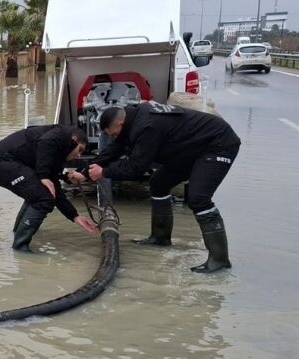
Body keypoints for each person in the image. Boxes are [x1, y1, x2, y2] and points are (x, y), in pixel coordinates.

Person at [87, 101, 241, 273]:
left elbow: (137, 168)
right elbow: (115, 148)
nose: (114, 137)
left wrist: (105, 172)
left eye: (114, 134)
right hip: (189, 148)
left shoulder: (147, 126)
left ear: (119, 123)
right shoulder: (132, 120)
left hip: (217, 144)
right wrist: (86, 170)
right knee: (159, 184)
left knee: (198, 198)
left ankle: (220, 259)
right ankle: (160, 238)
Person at [0, 125, 98, 251]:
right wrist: (43, 176)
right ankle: (20, 248)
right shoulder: (61, 134)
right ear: (74, 139)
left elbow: (55, 190)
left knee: (39, 194)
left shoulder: (55, 156)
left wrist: (74, 216)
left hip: (5, 163)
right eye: (80, 150)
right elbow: (45, 141)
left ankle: (17, 234)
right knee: (43, 198)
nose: (79, 156)